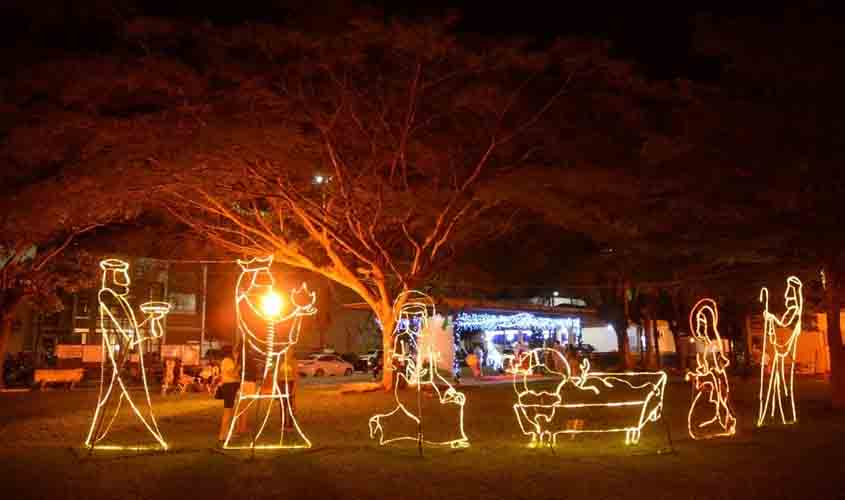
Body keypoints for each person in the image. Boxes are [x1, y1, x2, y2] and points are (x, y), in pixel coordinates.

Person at [217, 345, 241, 444]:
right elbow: (233, 374)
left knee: (229, 411)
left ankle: (225, 433)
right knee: (227, 411)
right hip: (229, 387)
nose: (235, 353)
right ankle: (222, 434)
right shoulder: (228, 361)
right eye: (234, 352)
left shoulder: (226, 361)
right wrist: (238, 367)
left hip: (230, 387)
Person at [280, 348, 298, 429]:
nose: (287, 353)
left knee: (290, 405)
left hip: (290, 384)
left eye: (289, 351)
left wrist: (294, 388)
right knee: (282, 405)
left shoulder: (293, 361)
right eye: (286, 351)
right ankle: (283, 423)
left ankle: (290, 424)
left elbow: (295, 376)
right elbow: (277, 374)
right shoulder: (281, 361)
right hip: (281, 384)